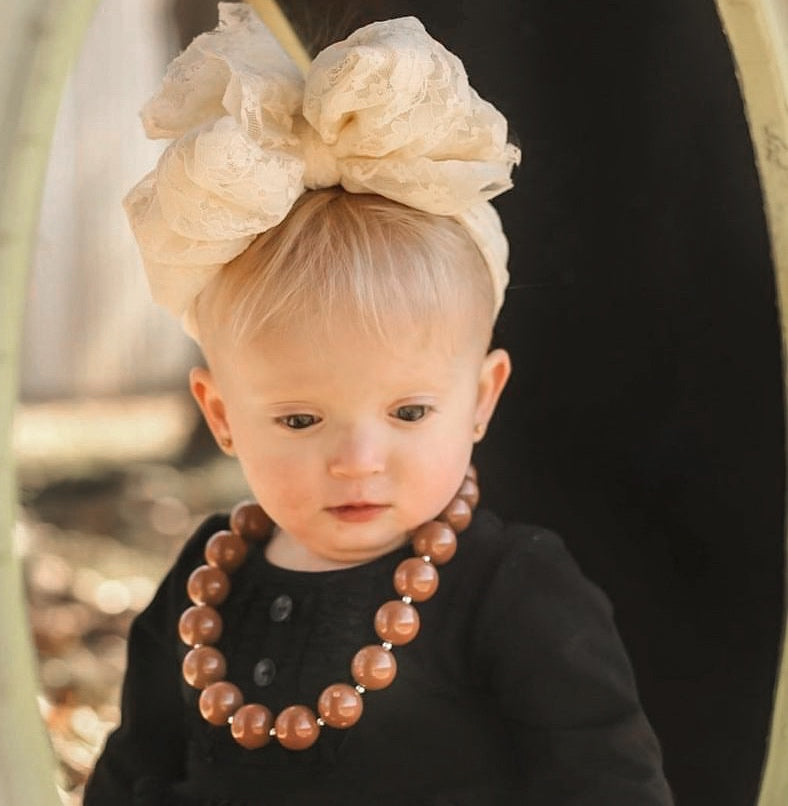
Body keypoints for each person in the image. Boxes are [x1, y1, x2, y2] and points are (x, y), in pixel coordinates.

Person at [85, 5, 673, 804]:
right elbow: (132, 771)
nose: (358, 459)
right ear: (222, 415)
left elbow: (607, 783)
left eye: (408, 413)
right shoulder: (206, 583)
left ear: (480, 399)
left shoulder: (510, 593)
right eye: (299, 419)